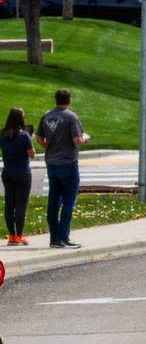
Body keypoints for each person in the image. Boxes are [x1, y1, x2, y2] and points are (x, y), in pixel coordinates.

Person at [36, 89, 89, 249]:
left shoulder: (47, 116)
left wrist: (49, 147)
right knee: (68, 201)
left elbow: (39, 138)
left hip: (51, 163)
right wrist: (86, 138)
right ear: (69, 100)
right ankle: (63, 237)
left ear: (56, 100)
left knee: (53, 201)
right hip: (68, 163)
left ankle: (54, 238)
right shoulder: (71, 117)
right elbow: (77, 140)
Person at [1, 108, 35, 246]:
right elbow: (31, 154)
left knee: (9, 204)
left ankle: (12, 236)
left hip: (7, 172)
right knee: (21, 203)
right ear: (21, 119)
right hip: (22, 172)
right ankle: (19, 236)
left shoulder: (2, 134)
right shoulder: (24, 135)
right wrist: (30, 140)